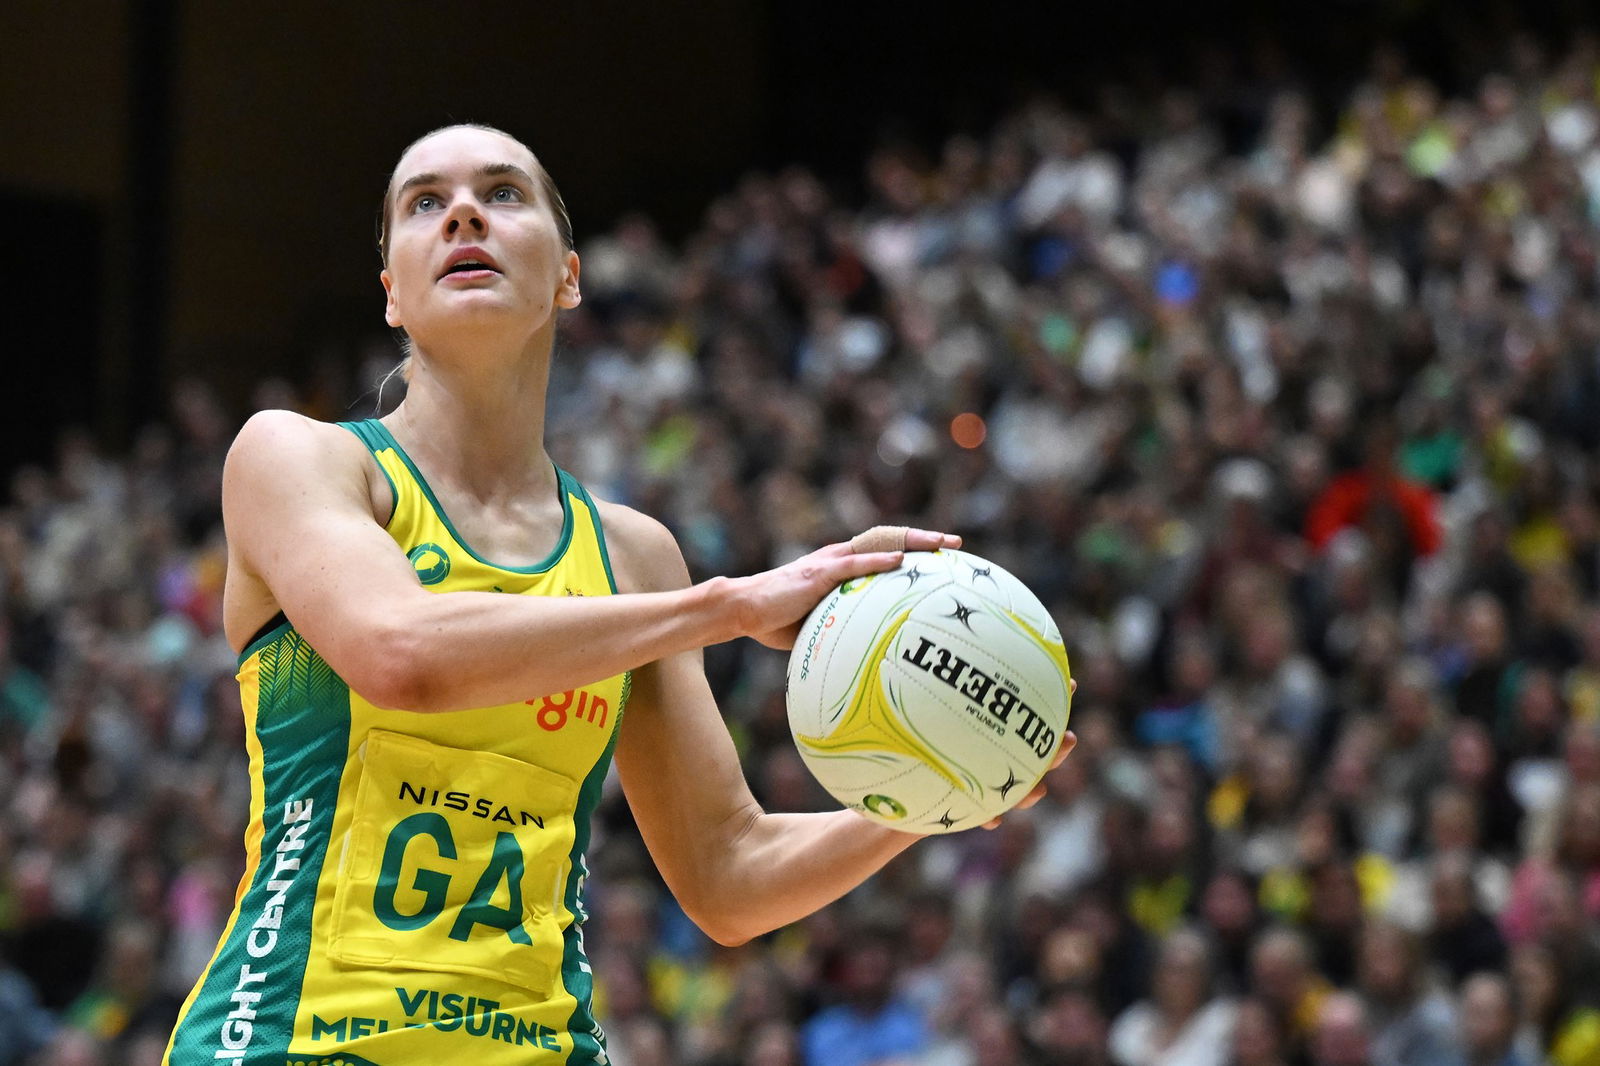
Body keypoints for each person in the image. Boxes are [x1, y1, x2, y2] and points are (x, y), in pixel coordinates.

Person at [160, 123, 1073, 1064]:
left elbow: (729, 876)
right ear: (391, 292)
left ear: (568, 278)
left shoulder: (632, 555)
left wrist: (935, 790)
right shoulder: (298, 457)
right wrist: (723, 609)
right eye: (424, 203)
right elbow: (405, 654)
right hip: (290, 1040)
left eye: (503, 194)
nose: (463, 212)